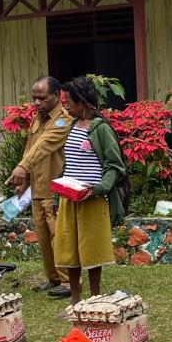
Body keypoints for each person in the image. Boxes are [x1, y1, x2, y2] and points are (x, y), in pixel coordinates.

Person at [51, 77, 126, 304]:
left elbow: (115, 166)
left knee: (92, 253)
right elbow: (68, 165)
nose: (66, 107)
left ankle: (94, 300)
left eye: (70, 103)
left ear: (82, 102)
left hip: (92, 200)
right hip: (69, 198)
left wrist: (98, 188)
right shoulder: (72, 126)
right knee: (70, 252)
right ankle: (75, 302)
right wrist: (57, 197)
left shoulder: (100, 128)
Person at [9, 76, 73, 298]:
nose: (37, 102)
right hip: (37, 189)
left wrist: (21, 167)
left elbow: (43, 147)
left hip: (55, 190)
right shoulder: (37, 119)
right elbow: (30, 149)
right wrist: (24, 180)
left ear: (57, 96)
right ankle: (53, 278)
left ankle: (69, 281)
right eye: (34, 98)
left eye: (42, 98)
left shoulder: (63, 121)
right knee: (43, 238)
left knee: (59, 236)